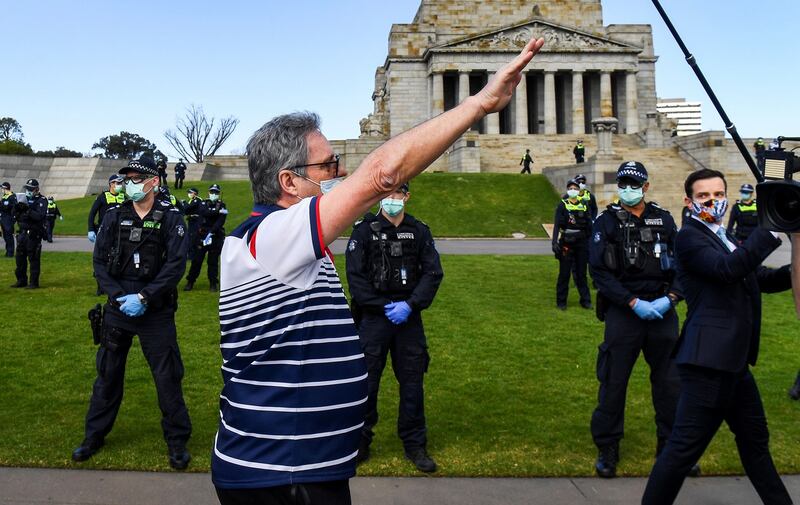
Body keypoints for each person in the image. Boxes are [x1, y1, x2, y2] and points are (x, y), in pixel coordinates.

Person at [211, 36, 545, 505]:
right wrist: (480, 104)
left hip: (304, 465)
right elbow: (382, 175)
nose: (338, 172)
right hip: (280, 473)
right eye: (328, 165)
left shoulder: (283, 240)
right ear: (289, 180)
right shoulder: (270, 237)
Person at [641, 168, 794, 505]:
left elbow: (760, 279)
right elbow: (728, 270)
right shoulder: (689, 238)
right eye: (703, 196)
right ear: (688, 201)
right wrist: (770, 227)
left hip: (735, 365)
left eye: (718, 194)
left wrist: (792, 267)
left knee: (755, 445)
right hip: (708, 364)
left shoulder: (726, 237)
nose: (713, 201)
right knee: (681, 451)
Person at [71, 155, 192, 470]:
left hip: (155, 310)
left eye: (137, 178)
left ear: (154, 182)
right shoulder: (113, 215)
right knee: (107, 376)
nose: (130, 184)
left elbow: (176, 265)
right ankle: (93, 436)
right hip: (118, 308)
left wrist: (145, 296)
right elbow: (99, 262)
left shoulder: (171, 217)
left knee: (167, 377)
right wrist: (118, 296)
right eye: (127, 178)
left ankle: (177, 441)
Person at [589, 161, 696, 479]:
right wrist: (631, 301)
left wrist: (672, 298)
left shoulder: (663, 218)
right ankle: (608, 448)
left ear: (646, 186)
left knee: (670, 384)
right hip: (625, 313)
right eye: (623, 182)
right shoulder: (605, 222)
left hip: (662, 311)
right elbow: (599, 271)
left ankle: (671, 449)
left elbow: (682, 263)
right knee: (613, 382)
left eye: (634, 183)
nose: (628, 188)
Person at [345, 182, 443, 472]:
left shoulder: (419, 231)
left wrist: (411, 305)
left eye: (397, 194)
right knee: (367, 383)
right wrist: (383, 306)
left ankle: (415, 444)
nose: (392, 200)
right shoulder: (363, 231)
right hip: (375, 318)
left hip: (408, 318)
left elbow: (433, 273)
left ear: (406, 196)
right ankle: (360, 442)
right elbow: (356, 279)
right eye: (387, 195)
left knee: (413, 383)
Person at [552, 179, 592, 310]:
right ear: (567, 189)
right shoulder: (562, 205)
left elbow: (589, 224)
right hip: (567, 243)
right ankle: (561, 302)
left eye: (575, 188)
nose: (573, 190)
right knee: (564, 273)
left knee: (581, 273)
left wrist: (589, 241)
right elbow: (557, 225)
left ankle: (585, 301)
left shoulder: (584, 204)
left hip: (581, 242)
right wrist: (554, 242)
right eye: (570, 188)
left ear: (579, 190)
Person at [183, 184, 227, 291]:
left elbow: (220, 221)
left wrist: (211, 231)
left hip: (214, 235)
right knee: (196, 261)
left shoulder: (222, 205)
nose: (213, 194)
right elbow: (204, 212)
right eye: (212, 192)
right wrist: (216, 212)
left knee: (213, 261)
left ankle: (213, 283)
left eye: (216, 192)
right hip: (201, 236)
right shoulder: (203, 203)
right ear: (208, 192)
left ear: (219, 194)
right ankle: (190, 281)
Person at [12, 179, 47, 289]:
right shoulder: (22, 200)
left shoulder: (41, 200)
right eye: (27, 189)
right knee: (20, 258)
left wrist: (28, 211)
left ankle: (33, 282)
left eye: (31, 189)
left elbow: (39, 216)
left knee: (33, 258)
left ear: (37, 190)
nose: (28, 191)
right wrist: (18, 209)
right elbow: (16, 215)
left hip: (33, 233)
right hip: (22, 233)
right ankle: (21, 280)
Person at [88, 174, 126, 244]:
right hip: (104, 230)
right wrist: (90, 229)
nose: (120, 185)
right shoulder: (102, 197)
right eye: (118, 183)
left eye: (121, 183)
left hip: (119, 231)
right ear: (111, 184)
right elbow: (92, 213)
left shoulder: (124, 197)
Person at [181, 188, 202, 261]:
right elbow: (186, 210)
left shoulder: (197, 200)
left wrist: (184, 203)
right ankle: (191, 254)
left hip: (196, 221)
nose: (189, 194)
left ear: (195, 193)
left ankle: (192, 255)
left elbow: (187, 208)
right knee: (190, 236)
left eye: (191, 192)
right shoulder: (192, 200)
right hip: (191, 220)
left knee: (193, 237)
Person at [1, 182, 17, 257]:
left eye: (2, 188)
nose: (1, 190)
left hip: (9, 219)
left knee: (9, 236)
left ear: (5, 188)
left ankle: (10, 252)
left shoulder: (12, 197)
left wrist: (13, 219)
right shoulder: (4, 196)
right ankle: (8, 251)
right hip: (3, 219)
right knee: (5, 236)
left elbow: (14, 208)